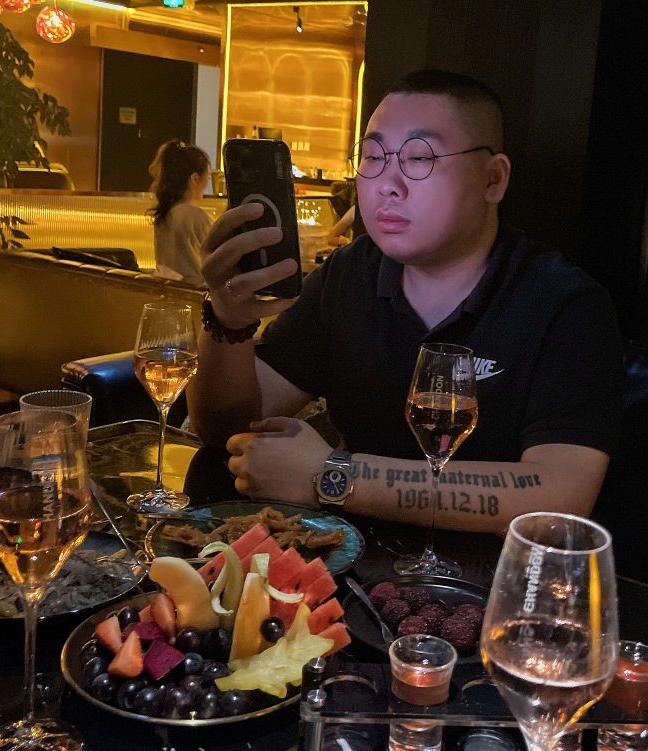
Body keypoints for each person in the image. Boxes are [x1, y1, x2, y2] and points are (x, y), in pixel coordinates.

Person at [187, 69, 624, 535]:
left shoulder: (565, 304)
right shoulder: (348, 275)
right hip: (353, 564)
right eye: (373, 157)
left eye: (420, 158)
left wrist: (334, 476)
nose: (386, 183)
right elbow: (227, 428)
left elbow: (560, 497)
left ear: (493, 179)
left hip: (489, 574)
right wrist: (228, 320)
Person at [148, 139, 212, 289]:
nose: (208, 182)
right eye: (208, 176)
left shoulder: (163, 215)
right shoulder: (198, 217)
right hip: (196, 295)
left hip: (170, 292)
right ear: (195, 178)